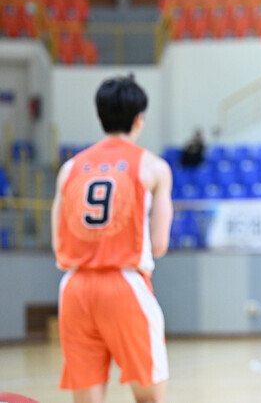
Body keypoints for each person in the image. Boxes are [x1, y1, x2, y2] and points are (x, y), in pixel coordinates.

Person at [51, 75, 173, 403]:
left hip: (74, 288)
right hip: (124, 284)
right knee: (149, 398)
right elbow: (159, 245)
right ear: (139, 119)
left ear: (100, 116)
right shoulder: (154, 167)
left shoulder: (69, 168)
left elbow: (57, 241)